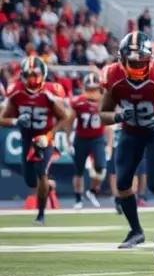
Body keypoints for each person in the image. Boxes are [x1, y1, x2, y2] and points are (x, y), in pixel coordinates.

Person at [100, 31, 154, 246]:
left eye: (140, 62)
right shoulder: (113, 75)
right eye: (130, 62)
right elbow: (103, 114)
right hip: (130, 131)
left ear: (150, 59)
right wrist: (117, 116)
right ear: (121, 60)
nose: (135, 67)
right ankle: (135, 231)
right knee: (123, 183)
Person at [0, 57, 72, 224]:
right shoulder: (17, 92)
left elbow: (65, 116)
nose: (32, 79)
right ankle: (49, 186)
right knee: (31, 181)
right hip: (27, 139)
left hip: (43, 139)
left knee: (41, 173)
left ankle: (40, 214)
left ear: (43, 75)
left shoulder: (49, 93)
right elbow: (2, 119)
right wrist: (16, 121)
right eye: (28, 75)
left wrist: (48, 135)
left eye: (35, 75)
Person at [68, 72, 106, 209]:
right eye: (89, 89)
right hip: (81, 138)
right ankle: (78, 199)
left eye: (94, 89)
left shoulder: (104, 101)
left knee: (101, 167)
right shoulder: (78, 102)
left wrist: (109, 144)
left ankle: (92, 191)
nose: (91, 93)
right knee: (78, 170)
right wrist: (67, 139)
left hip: (97, 138)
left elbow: (109, 123)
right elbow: (69, 120)